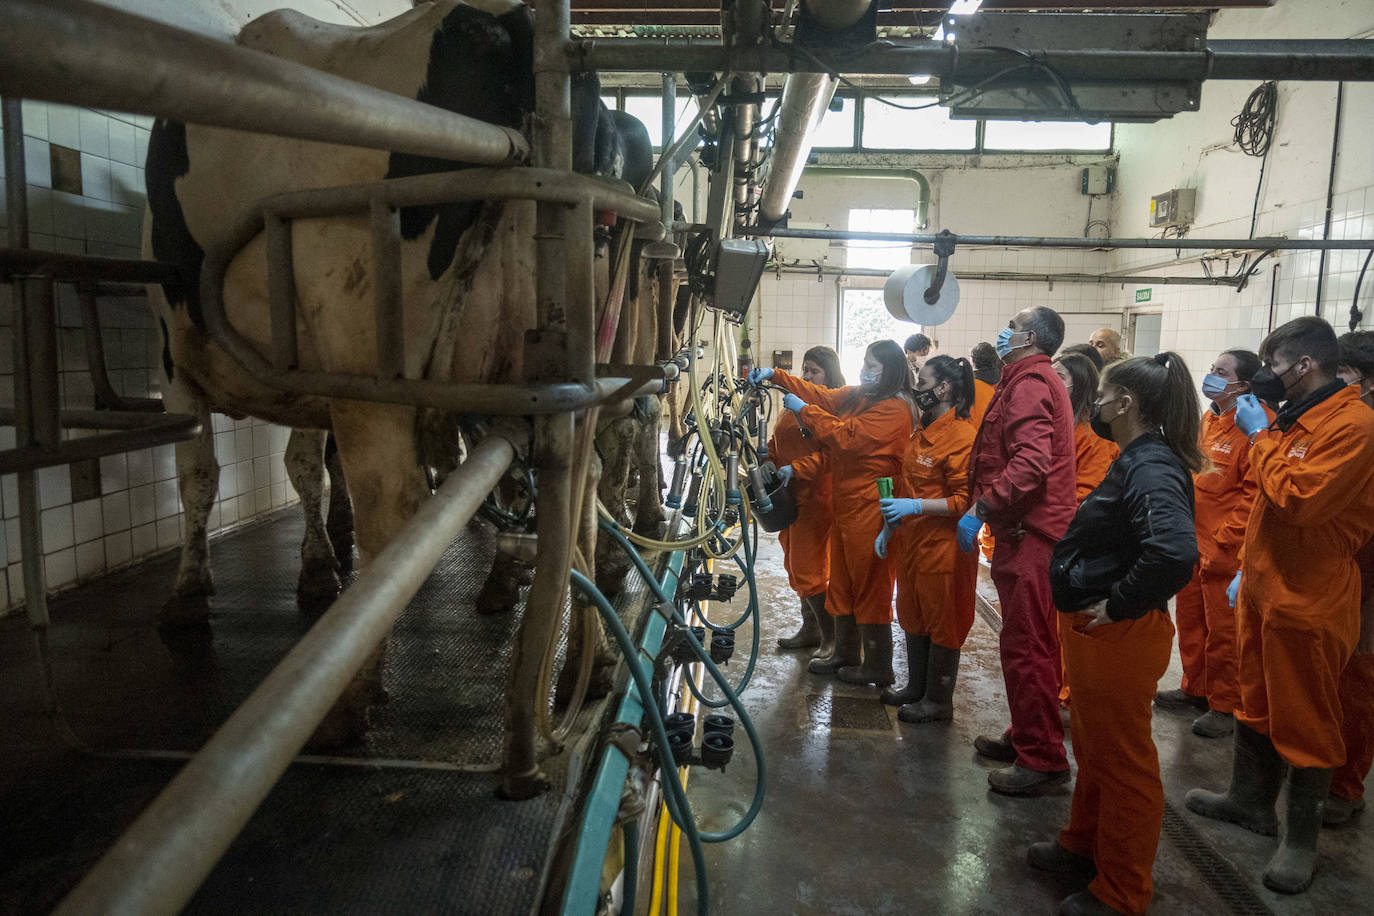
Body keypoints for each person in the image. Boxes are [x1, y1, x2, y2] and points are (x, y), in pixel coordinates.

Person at [1186, 316, 1374, 896]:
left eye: (1273, 365)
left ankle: (1301, 840)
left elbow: (1299, 499)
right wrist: (1246, 568)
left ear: (1304, 366)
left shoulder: (1355, 426)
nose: (1267, 376)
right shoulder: (1298, 418)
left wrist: (1262, 437)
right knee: (1256, 697)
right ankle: (1249, 801)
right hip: (1266, 583)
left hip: (1309, 595)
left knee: (1308, 715)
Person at [1033, 352, 1202, 916]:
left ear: (1124, 403)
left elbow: (1174, 551)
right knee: (1097, 748)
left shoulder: (1151, 466)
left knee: (1123, 762)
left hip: (1120, 635)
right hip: (1097, 632)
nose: (1097, 404)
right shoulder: (1137, 457)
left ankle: (1123, 890)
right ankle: (1084, 846)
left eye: (1102, 395)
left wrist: (1122, 602)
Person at [957, 306, 1077, 795]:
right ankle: (1028, 733)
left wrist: (982, 507)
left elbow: (1029, 465)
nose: (1003, 329)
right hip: (1023, 531)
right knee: (1027, 645)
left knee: (1028, 649)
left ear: (1029, 336)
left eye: (1013, 323)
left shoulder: (1030, 384)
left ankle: (1043, 759)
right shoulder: (1024, 379)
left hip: (1030, 534)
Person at [750, 340, 915, 686]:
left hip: (870, 506)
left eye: (873, 366)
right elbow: (823, 395)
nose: (864, 370)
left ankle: (879, 665)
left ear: (891, 371)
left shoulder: (894, 409)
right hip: (846, 503)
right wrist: (777, 376)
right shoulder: (864, 395)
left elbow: (847, 437)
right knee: (842, 581)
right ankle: (845, 651)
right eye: (864, 363)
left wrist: (803, 411)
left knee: (870, 585)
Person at [1154, 349, 1269, 740]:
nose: (1212, 376)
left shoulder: (1255, 430)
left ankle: (1225, 705)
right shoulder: (1210, 419)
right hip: (1192, 539)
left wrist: (1225, 541)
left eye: (1222, 372)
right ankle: (1195, 689)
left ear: (1244, 385)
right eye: (1212, 369)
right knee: (1191, 623)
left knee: (1224, 634)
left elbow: (1253, 496)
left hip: (1224, 548)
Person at [874, 355, 980, 724]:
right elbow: (906, 483)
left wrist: (915, 505)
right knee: (913, 615)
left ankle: (938, 701)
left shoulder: (961, 437)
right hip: (914, 542)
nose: (916, 387)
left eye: (922, 381)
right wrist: (891, 523)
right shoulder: (923, 428)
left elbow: (967, 500)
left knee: (943, 621)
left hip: (944, 549)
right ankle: (915, 689)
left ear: (944, 388)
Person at [1051, 352, 1119, 709]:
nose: (1050, 381)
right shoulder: (1053, 429)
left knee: (1070, 634)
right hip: (1046, 545)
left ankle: (1069, 698)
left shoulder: (1094, 441)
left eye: (1059, 376)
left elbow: (1080, 504)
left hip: (1069, 550)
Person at [770, 346, 844, 655]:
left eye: (814, 371)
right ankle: (810, 628)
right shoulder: (793, 406)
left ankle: (831, 638)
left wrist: (796, 469)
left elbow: (832, 455)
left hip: (815, 497)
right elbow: (780, 441)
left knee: (810, 569)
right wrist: (768, 460)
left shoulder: (829, 409)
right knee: (794, 564)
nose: (807, 375)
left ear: (829, 374)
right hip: (789, 496)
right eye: (805, 369)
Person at [1329, 329, 1374, 825]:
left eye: (1342, 376)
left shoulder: (1364, 429)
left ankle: (1344, 788)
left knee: (1356, 682)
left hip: (1365, 575)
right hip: (1334, 568)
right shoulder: (1341, 427)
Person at [968, 343, 997, 427]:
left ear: (972, 361)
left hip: (971, 436)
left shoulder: (967, 385)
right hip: (992, 435)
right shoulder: (1004, 383)